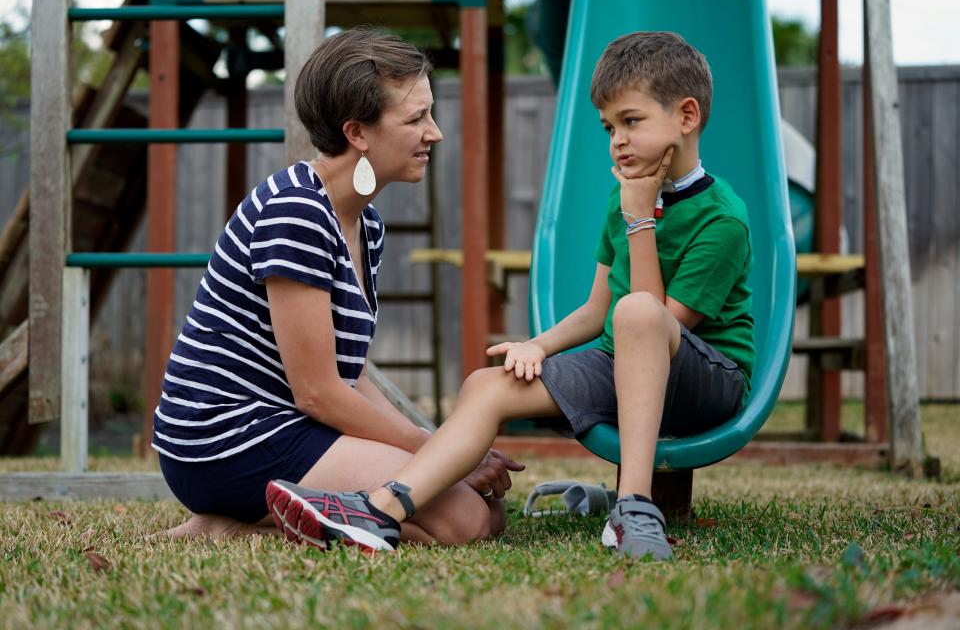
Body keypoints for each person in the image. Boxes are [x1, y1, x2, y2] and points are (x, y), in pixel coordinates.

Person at [267, 31, 755, 560]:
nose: (616, 140)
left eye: (631, 122)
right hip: (624, 363)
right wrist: (539, 346)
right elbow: (598, 310)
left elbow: (657, 324)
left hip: (706, 380)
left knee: (638, 312)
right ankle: (382, 510)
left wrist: (641, 219)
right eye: (609, 127)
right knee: (488, 384)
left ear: (686, 117)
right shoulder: (625, 196)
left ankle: (634, 506)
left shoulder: (720, 218)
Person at [153, 29, 524, 545]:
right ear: (358, 133)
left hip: (288, 427)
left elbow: (348, 375)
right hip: (228, 439)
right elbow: (319, 392)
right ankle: (237, 526)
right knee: (465, 520)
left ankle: (256, 520)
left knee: (487, 508)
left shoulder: (364, 224)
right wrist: (436, 449)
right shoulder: (297, 214)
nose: (434, 133)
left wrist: (440, 451)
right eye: (416, 118)